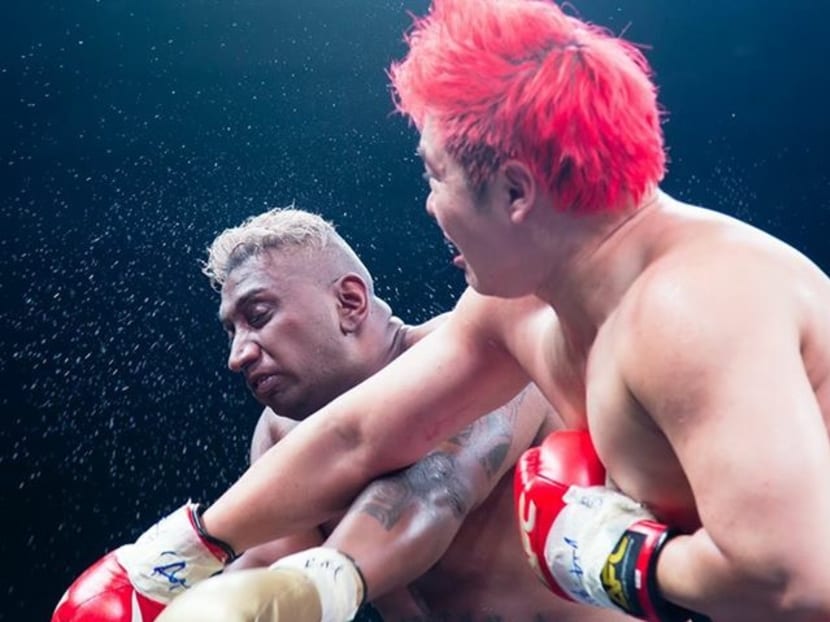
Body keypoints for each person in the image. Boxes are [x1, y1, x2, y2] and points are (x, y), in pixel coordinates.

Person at [151, 1, 830, 621]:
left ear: (513, 192)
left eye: (434, 175)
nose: (429, 205)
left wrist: (610, 555)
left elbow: (795, 580)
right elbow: (358, 436)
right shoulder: (517, 310)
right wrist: (156, 566)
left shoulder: (689, 306)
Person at [52, 208, 630, 622]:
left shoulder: (481, 349)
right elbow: (265, 567)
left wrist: (312, 586)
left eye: (258, 315)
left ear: (349, 302)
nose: (237, 354)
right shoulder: (279, 433)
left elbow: (433, 488)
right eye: (230, 330)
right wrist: (158, 594)